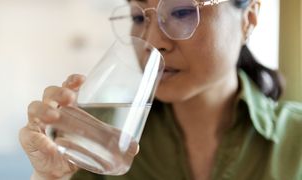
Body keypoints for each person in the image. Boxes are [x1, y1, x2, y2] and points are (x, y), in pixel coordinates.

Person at [19, 0, 302, 179]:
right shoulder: (99, 137)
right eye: (140, 18)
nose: (153, 41)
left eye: (181, 12)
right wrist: (49, 178)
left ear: (248, 19)